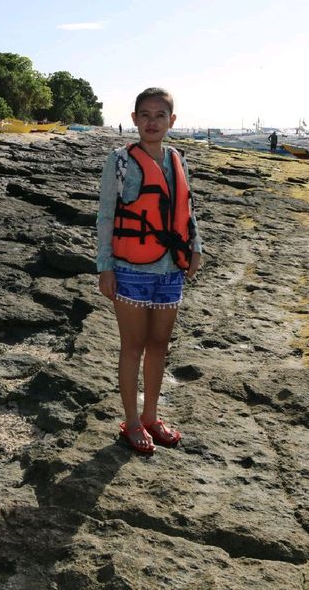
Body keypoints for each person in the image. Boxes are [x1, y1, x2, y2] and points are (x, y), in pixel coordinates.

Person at [96, 87, 203, 454]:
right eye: (145, 114)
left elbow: (187, 208)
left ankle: (152, 416)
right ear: (134, 120)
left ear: (172, 121)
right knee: (133, 346)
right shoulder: (120, 161)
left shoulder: (178, 159)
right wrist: (104, 268)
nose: (152, 121)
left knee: (159, 345)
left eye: (160, 115)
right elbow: (106, 217)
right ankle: (132, 421)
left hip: (170, 270)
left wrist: (196, 248)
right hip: (130, 272)